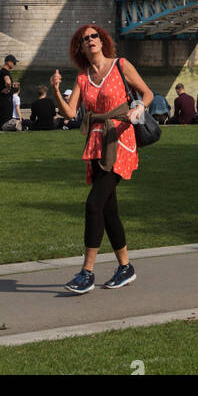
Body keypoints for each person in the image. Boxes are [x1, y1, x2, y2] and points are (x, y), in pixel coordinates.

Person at [51, 22, 153, 293]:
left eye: (94, 36)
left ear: (102, 40)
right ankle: (125, 267)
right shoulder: (83, 77)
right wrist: (56, 91)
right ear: (81, 48)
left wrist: (138, 109)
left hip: (120, 140)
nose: (91, 40)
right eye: (85, 39)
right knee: (109, 210)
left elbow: (147, 92)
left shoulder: (120, 65)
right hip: (95, 144)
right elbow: (71, 114)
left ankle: (87, 272)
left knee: (94, 204)